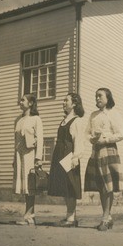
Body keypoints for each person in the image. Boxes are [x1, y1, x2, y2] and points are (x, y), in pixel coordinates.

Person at [84, 88, 123, 231]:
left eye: (100, 96)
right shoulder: (93, 115)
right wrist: (93, 139)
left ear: (108, 98)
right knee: (101, 186)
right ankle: (108, 217)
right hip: (96, 152)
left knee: (109, 186)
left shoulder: (113, 114)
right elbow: (87, 133)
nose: (97, 99)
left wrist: (105, 139)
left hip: (108, 150)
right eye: (95, 96)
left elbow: (121, 134)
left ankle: (105, 218)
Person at [48, 93, 85, 227]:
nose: (63, 102)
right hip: (60, 154)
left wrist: (76, 157)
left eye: (66, 100)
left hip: (69, 155)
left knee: (71, 185)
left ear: (74, 104)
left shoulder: (77, 121)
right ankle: (69, 216)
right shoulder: (64, 120)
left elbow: (79, 141)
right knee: (64, 185)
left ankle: (71, 218)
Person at [13, 94, 43, 225]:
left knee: (30, 185)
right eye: (20, 100)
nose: (20, 102)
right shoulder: (18, 120)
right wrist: (14, 159)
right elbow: (16, 141)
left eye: (23, 100)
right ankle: (30, 215)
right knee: (25, 186)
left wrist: (38, 158)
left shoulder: (36, 119)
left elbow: (40, 139)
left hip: (30, 154)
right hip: (20, 155)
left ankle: (29, 216)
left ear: (30, 103)